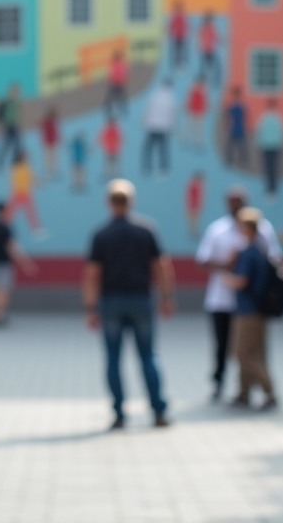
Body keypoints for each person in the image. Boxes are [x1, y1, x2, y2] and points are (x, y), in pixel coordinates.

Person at [84, 179, 176, 429]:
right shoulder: (146, 230)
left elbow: (93, 275)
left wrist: (91, 308)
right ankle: (158, 412)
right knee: (148, 356)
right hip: (141, 300)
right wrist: (167, 298)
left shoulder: (101, 234)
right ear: (131, 201)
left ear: (109, 203)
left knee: (113, 359)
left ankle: (119, 413)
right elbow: (162, 266)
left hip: (111, 302)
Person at [196, 187, 283, 401]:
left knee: (246, 351)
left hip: (250, 303)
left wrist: (231, 274)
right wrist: (227, 266)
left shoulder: (254, 245)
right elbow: (204, 260)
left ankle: (264, 389)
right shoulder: (218, 230)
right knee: (229, 347)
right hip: (226, 302)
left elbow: (251, 274)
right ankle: (237, 389)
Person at [222, 207, 279, 411]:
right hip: (259, 310)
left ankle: (269, 391)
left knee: (242, 354)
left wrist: (227, 278)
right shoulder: (262, 251)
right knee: (255, 353)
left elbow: (242, 281)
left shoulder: (248, 253)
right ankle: (243, 393)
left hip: (248, 311)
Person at [0, 201, 38, 326]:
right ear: (4, 212)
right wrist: (26, 263)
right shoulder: (6, 228)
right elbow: (11, 247)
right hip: (3, 263)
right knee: (2, 289)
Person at [6, 149, 46, 240]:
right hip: (20, 193)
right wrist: (40, 183)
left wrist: (40, 183)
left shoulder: (20, 168)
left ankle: (36, 229)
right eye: (27, 157)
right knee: (14, 212)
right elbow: (31, 180)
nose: (29, 158)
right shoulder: (20, 168)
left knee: (29, 212)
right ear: (22, 158)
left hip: (22, 193)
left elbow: (32, 180)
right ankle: (36, 229)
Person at [141, 80, 176, 177]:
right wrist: (171, 127)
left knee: (149, 148)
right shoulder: (170, 98)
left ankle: (148, 167)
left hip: (153, 126)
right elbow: (172, 115)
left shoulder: (155, 95)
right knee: (162, 149)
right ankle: (163, 168)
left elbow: (148, 109)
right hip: (163, 128)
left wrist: (145, 120)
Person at [256, 98, 283, 199]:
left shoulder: (278, 117)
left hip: (275, 146)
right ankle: (269, 188)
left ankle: (273, 189)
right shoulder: (265, 117)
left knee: (273, 168)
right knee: (268, 168)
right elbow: (260, 130)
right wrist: (259, 142)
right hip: (266, 146)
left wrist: (282, 143)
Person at [0, 83, 22, 171]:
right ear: (11, 92)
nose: (16, 93)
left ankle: (15, 164)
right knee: (5, 146)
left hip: (14, 126)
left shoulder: (16, 102)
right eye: (15, 91)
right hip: (8, 126)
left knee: (17, 146)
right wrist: (3, 125)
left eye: (17, 92)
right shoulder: (6, 102)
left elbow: (16, 115)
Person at [224, 86, 248, 167]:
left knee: (241, 145)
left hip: (240, 127)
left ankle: (243, 159)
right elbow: (228, 116)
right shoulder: (232, 105)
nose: (237, 96)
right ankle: (230, 160)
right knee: (231, 145)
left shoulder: (241, 105)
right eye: (236, 95)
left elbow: (245, 115)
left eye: (237, 95)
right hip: (233, 127)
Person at [197, 11, 220, 87]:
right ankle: (205, 79)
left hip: (209, 49)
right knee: (206, 66)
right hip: (207, 50)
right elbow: (202, 38)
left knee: (208, 66)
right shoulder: (206, 28)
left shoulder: (210, 28)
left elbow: (215, 37)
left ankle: (208, 79)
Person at [184, 78, 208, 149]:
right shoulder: (194, 89)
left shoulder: (203, 91)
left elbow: (204, 102)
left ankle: (198, 142)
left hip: (198, 111)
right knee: (189, 126)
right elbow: (189, 99)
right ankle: (185, 139)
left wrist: (204, 111)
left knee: (198, 128)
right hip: (193, 110)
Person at [105, 51, 129, 118]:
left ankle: (109, 110)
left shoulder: (113, 64)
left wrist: (109, 81)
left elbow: (110, 74)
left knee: (110, 98)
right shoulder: (122, 64)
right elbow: (126, 72)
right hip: (121, 83)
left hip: (114, 83)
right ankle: (124, 111)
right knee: (121, 97)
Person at [41, 107, 61, 181]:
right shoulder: (46, 122)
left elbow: (55, 132)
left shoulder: (52, 122)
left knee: (53, 156)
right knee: (49, 156)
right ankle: (49, 170)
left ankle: (53, 170)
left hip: (51, 141)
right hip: (48, 141)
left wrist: (58, 138)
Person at [168, 0, 188, 70]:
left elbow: (185, 24)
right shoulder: (175, 16)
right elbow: (172, 25)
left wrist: (187, 31)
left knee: (181, 50)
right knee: (177, 51)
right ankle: (177, 64)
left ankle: (180, 64)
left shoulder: (181, 15)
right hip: (177, 36)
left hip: (182, 35)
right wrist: (170, 32)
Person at [186, 171, 205, 238]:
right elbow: (191, 197)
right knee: (193, 220)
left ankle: (194, 231)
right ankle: (192, 232)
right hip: (192, 206)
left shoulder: (198, 186)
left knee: (195, 220)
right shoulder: (194, 186)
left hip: (195, 206)